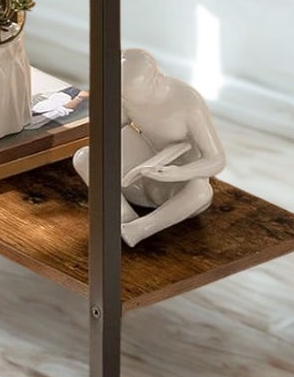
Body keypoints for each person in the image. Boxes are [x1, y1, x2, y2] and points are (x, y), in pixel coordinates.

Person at [72, 48, 226, 247]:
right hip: (144, 170)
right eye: (125, 97)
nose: (131, 102)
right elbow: (113, 128)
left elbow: (217, 159)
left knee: (201, 192)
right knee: (84, 157)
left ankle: (138, 229)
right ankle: (122, 215)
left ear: (157, 80)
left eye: (136, 97)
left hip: (178, 181)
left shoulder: (188, 102)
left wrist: (178, 173)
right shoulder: (126, 95)